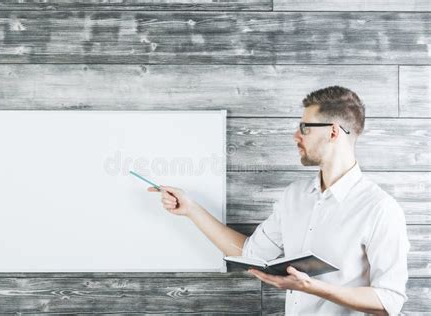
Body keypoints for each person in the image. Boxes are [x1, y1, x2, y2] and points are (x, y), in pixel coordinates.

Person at [148, 86, 410, 315]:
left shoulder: (380, 209)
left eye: (304, 128)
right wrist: (191, 209)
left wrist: (312, 287)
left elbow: (389, 299)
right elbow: (250, 254)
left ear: (333, 132)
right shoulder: (294, 196)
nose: (296, 136)